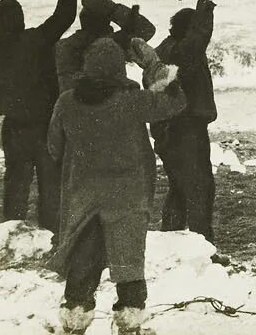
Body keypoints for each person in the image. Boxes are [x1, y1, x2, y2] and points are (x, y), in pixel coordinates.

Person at [47, 37, 183, 335]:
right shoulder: (132, 101)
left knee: (84, 259)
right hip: (129, 193)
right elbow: (175, 102)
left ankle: (74, 319)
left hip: (84, 195)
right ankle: (129, 322)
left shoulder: (66, 101)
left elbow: (54, 148)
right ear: (119, 69)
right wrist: (153, 64)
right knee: (129, 258)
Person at [0, 0, 80, 233]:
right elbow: (64, 16)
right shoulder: (36, 40)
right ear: (20, 19)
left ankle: (11, 240)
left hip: (13, 128)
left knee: (15, 191)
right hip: (44, 127)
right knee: (51, 190)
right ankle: (51, 240)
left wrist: (0, 99)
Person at [152, 0, 217, 241]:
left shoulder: (162, 50)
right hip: (186, 129)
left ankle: (171, 238)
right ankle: (202, 244)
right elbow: (201, 34)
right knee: (200, 187)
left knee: (179, 186)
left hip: (166, 131)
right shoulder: (184, 52)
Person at [55, 0, 156, 96]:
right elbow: (146, 29)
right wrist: (113, 10)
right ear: (107, 23)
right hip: (112, 103)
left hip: (70, 105)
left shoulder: (61, 46)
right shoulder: (112, 43)